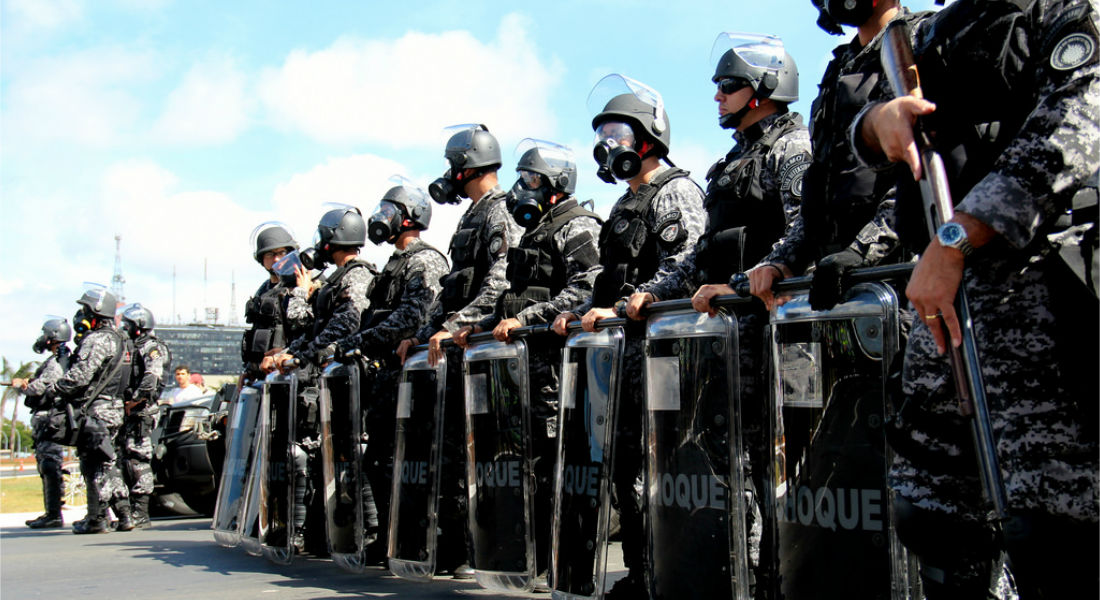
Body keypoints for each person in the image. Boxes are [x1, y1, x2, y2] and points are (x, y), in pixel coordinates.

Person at [853, 0, 1099, 596]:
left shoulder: (1064, 8)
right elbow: (862, 149)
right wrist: (877, 122)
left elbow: (1077, 124)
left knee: (1054, 528)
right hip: (944, 308)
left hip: (1038, 299)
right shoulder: (934, 31)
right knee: (928, 514)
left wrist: (958, 236)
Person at [629, 33, 811, 595]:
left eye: (728, 86)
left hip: (778, 337)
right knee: (727, 465)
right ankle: (740, 577)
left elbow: (804, 229)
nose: (717, 96)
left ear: (764, 88)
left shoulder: (794, 148)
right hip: (725, 339)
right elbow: (699, 253)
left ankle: (775, 581)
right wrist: (653, 295)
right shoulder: (728, 163)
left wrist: (741, 283)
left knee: (776, 468)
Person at [552, 74, 706, 599]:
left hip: (663, 356)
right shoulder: (620, 206)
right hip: (618, 358)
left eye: (618, 131)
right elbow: (602, 280)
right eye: (604, 133)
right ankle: (641, 575)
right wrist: (574, 312)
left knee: (668, 471)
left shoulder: (677, 190)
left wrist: (629, 303)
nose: (608, 143)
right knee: (624, 470)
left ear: (648, 135)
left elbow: (687, 261)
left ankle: (676, 574)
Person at [455, 138, 602, 581]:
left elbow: (588, 286)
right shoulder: (537, 230)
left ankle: (564, 566)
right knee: (531, 463)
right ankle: (532, 560)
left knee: (559, 464)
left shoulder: (578, 225)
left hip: (559, 370)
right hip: (527, 370)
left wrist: (526, 318)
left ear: (556, 183)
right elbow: (508, 292)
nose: (522, 187)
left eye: (531, 178)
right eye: (521, 177)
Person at [743, 0, 930, 312]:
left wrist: (861, 250)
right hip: (838, 284)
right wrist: (783, 263)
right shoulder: (840, 69)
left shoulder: (921, 38)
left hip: (903, 282)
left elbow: (923, 168)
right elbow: (819, 188)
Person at [395, 123, 522, 578]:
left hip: (482, 356)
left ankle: (484, 549)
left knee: (483, 457)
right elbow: (453, 290)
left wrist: (455, 326)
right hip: (455, 356)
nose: (448, 175)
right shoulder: (471, 216)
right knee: (450, 456)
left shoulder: (501, 213)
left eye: (453, 165)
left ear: (467, 165)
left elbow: (499, 283)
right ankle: (454, 547)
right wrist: (425, 329)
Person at [339, 177, 449, 560]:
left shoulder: (426, 259)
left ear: (411, 217)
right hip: (385, 375)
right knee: (379, 460)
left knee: (412, 462)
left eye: (391, 212)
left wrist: (362, 339)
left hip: (412, 374)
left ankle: (415, 539)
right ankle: (389, 537)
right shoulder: (393, 265)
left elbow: (413, 316)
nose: (382, 219)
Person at [270, 204, 375, 553]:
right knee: (326, 458)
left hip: (350, 381)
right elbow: (315, 328)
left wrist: (299, 352)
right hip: (331, 382)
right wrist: (292, 355)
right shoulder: (336, 280)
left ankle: (369, 533)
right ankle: (324, 532)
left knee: (354, 456)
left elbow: (342, 327)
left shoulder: (356, 276)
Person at [44, 285, 134, 534]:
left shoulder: (97, 340)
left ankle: (96, 519)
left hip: (97, 411)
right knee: (109, 462)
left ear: (95, 311)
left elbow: (80, 377)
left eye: (85, 309)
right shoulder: (123, 341)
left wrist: (55, 389)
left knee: (92, 465)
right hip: (115, 409)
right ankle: (124, 514)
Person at [13, 317, 73, 529]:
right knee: (47, 465)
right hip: (48, 418)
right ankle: (52, 512)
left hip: (50, 418)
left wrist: (21, 385)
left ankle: (54, 514)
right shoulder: (59, 359)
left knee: (49, 465)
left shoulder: (56, 363)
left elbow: (38, 388)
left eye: (47, 334)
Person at [118, 303, 170, 529]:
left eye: (127, 325)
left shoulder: (152, 348)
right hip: (129, 410)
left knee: (139, 459)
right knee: (126, 459)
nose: (124, 328)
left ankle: (141, 513)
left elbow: (151, 379)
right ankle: (129, 510)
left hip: (141, 410)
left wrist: (134, 401)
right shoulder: (132, 347)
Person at [241, 222, 307, 383]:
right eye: (270, 254)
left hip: (290, 374)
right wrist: (248, 370)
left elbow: (311, 332)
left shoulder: (303, 283)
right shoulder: (264, 290)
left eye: (282, 252)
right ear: (261, 258)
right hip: (262, 377)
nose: (277, 259)